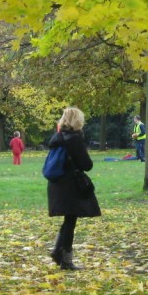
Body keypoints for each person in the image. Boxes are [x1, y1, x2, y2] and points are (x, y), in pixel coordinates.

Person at [47, 107, 101, 270]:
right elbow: (87, 164)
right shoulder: (74, 139)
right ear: (78, 121)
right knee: (70, 221)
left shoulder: (57, 137)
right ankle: (66, 259)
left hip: (56, 184)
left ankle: (59, 252)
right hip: (71, 185)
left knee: (69, 220)